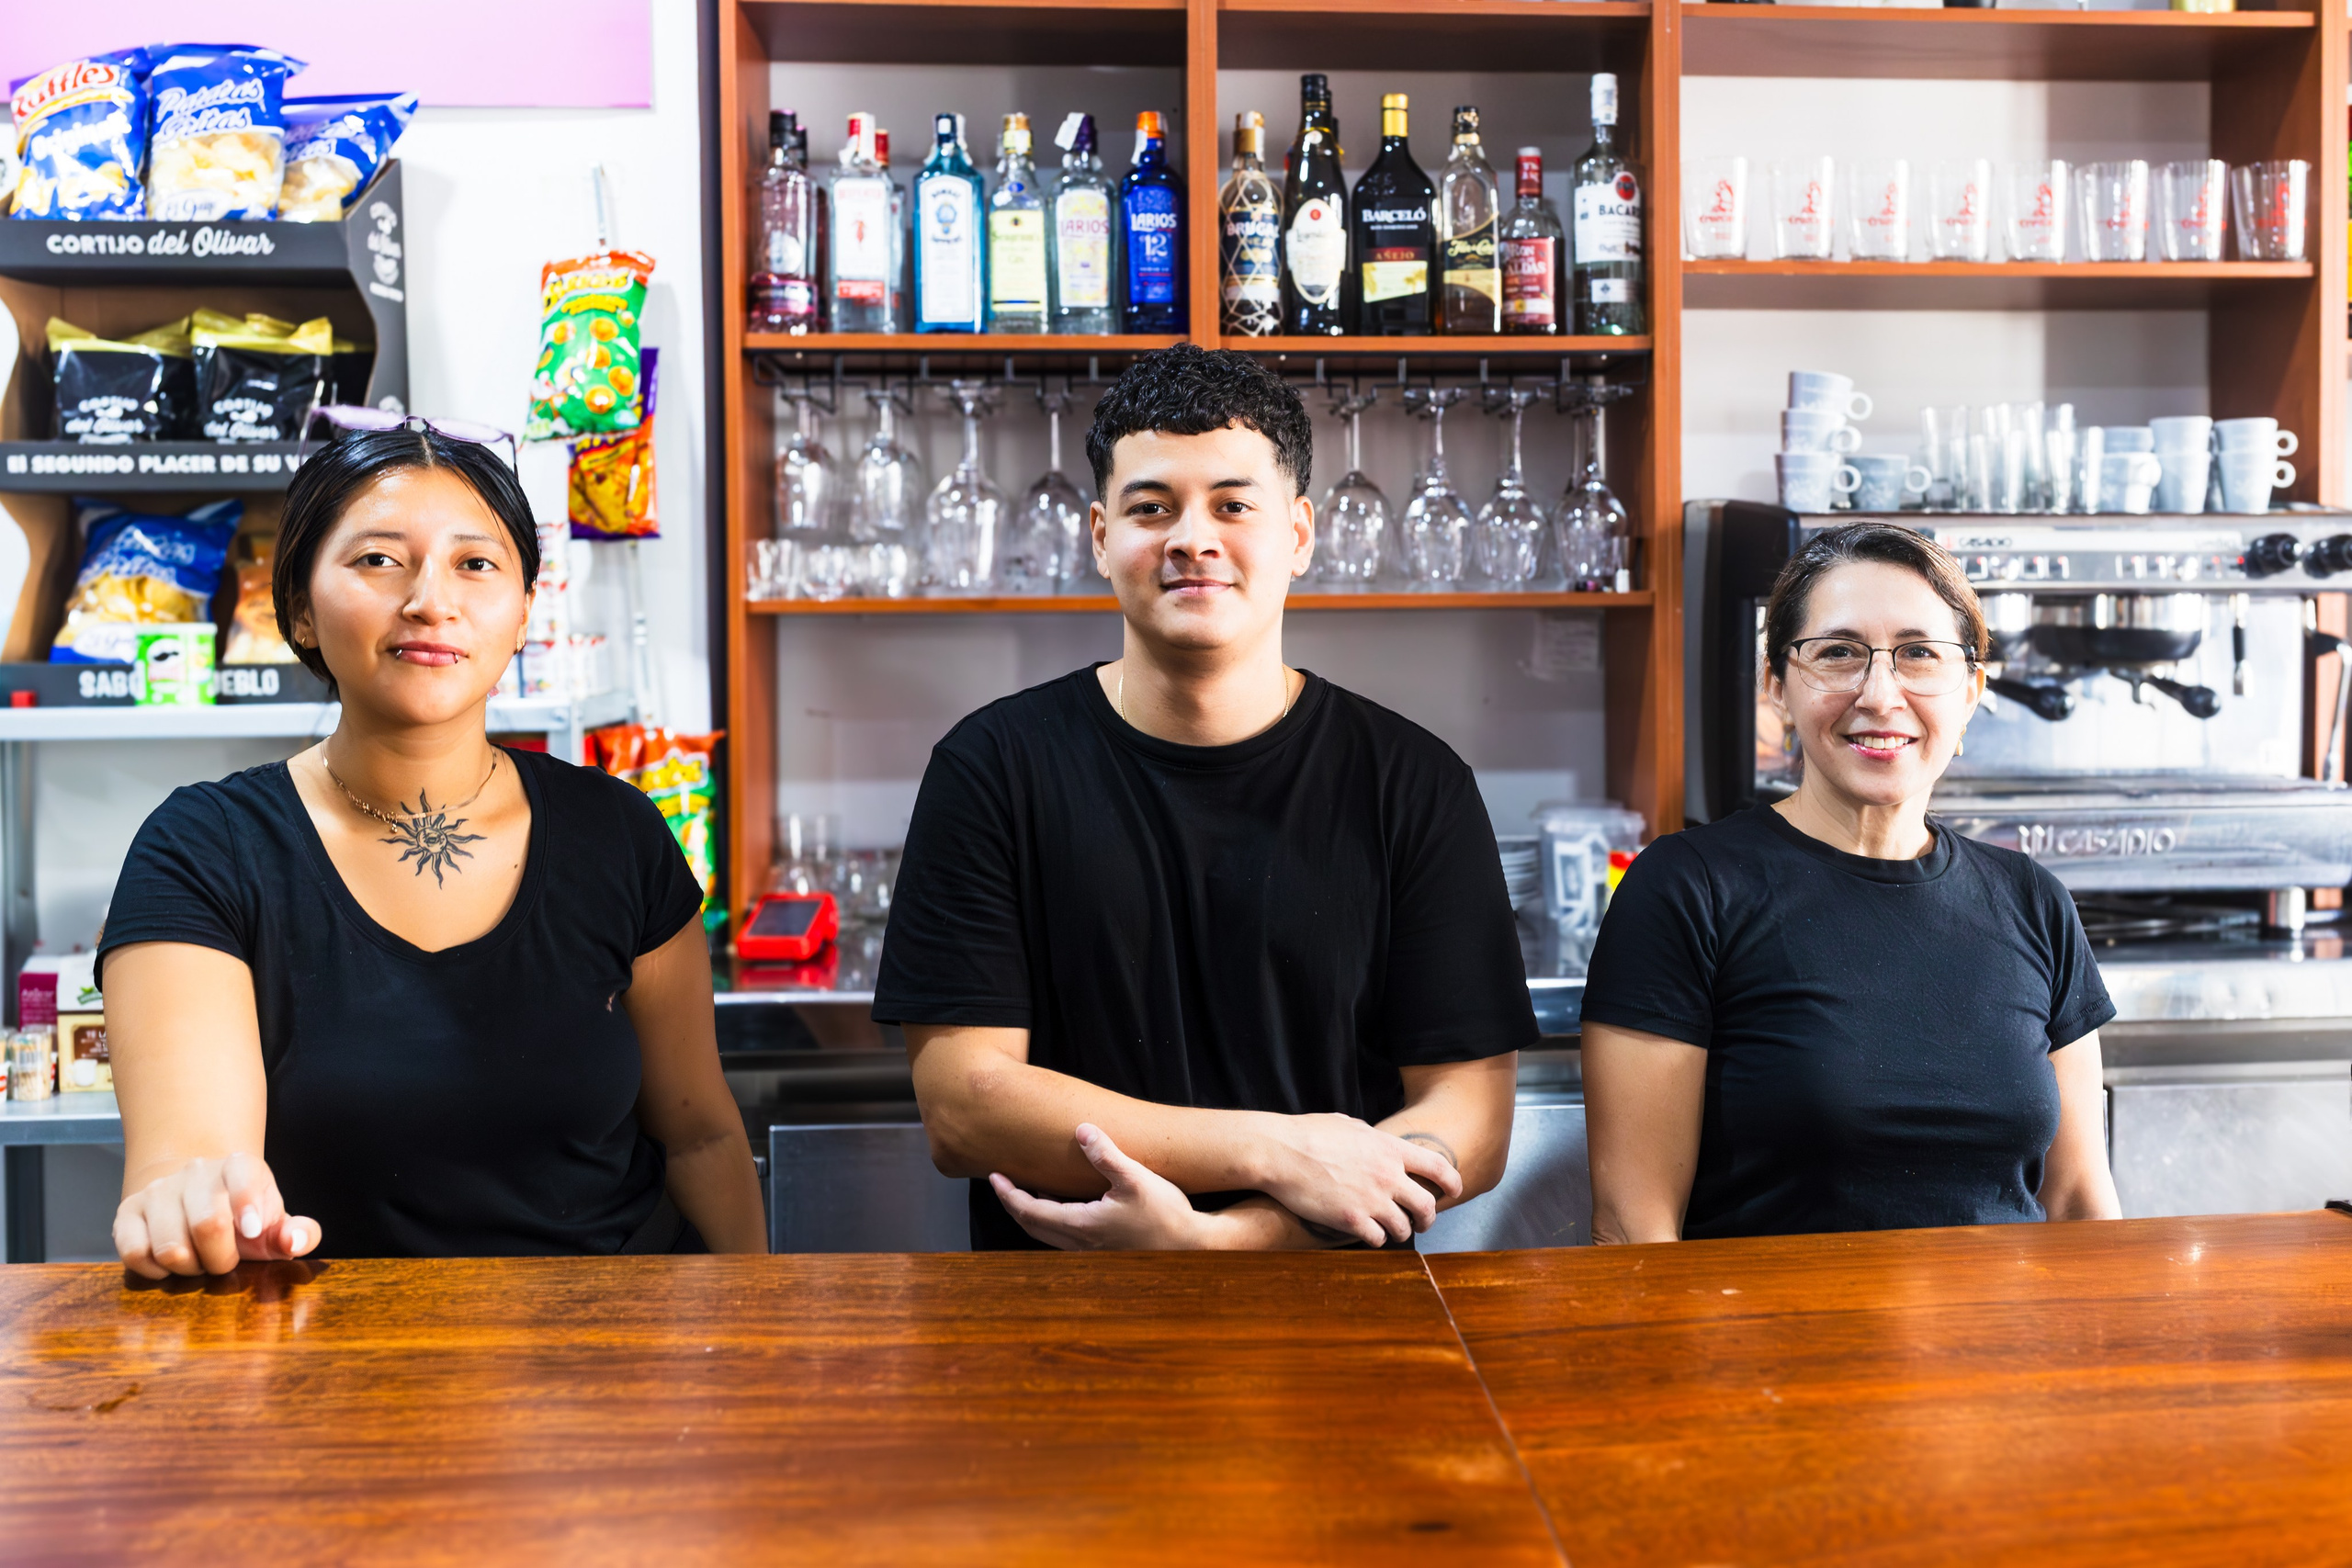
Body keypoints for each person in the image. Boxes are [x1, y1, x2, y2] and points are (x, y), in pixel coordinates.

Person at [874, 344, 1535, 1250]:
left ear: (1298, 534)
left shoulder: (1411, 781)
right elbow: (965, 1105)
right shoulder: (993, 767)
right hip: (1054, 1332)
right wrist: (1276, 1152)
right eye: (1152, 508)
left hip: (1338, 1330)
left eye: (1232, 505)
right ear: (1100, 536)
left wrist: (1241, 1242)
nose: (1192, 538)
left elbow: (1470, 1113)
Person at [102, 424, 764, 1277]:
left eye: (476, 564)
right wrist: (190, 1202)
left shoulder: (618, 830)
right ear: (298, 606)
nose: (430, 600)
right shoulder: (205, 849)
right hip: (342, 1363)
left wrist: (750, 1335)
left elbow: (701, 1132)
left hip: (616, 1361)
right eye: (378, 560)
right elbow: (190, 1157)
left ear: (525, 611)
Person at [1580, 521, 2121, 1244]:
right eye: (1838, 653)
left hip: (2010, 1348)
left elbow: (2082, 1205)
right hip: (1775, 1348)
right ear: (1776, 686)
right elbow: (1632, 1224)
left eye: (1919, 654)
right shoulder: (1688, 889)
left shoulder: (2030, 898)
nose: (1880, 693)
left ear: (1969, 692)